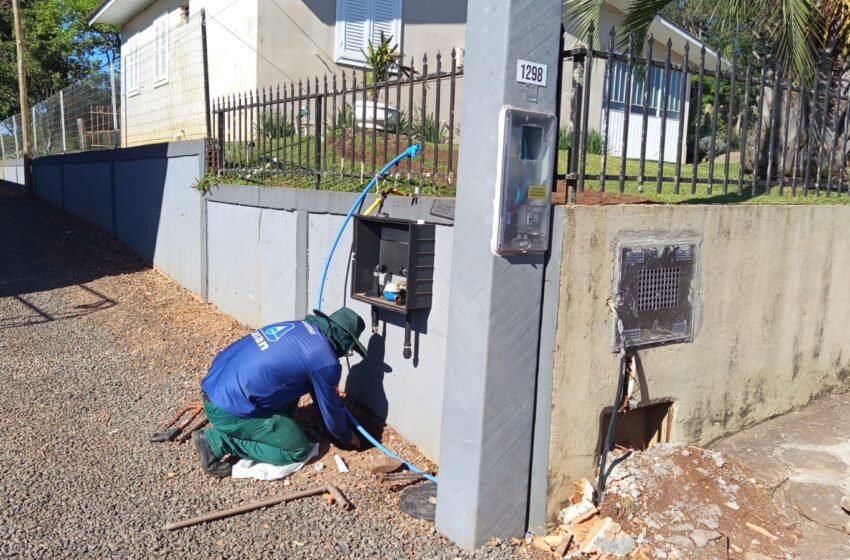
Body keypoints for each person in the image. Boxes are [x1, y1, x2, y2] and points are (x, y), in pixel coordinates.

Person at [193, 307, 367, 477]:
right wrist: (346, 437)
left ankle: (270, 429)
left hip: (215, 388)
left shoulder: (300, 328)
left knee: (295, 381)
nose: (346, 352)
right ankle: (218, 442)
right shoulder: (325, 360)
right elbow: (331, 410)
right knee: (297, 450)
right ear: (343, 340)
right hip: (228, 411)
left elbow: (317, 389)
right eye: (350, 348)